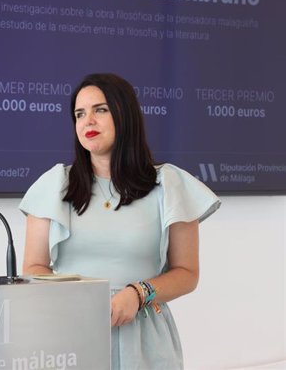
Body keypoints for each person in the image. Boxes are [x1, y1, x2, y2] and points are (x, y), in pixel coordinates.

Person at [21, 73, 220, 369]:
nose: (88, 121)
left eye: (100, 110)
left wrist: (139, 293)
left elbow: (187, 272)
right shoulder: (54, 185)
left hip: (144, 340)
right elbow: (32, 268)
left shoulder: (169, 184)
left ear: (124, 114)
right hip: (72, 332)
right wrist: (81, 297)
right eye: (79, 114)